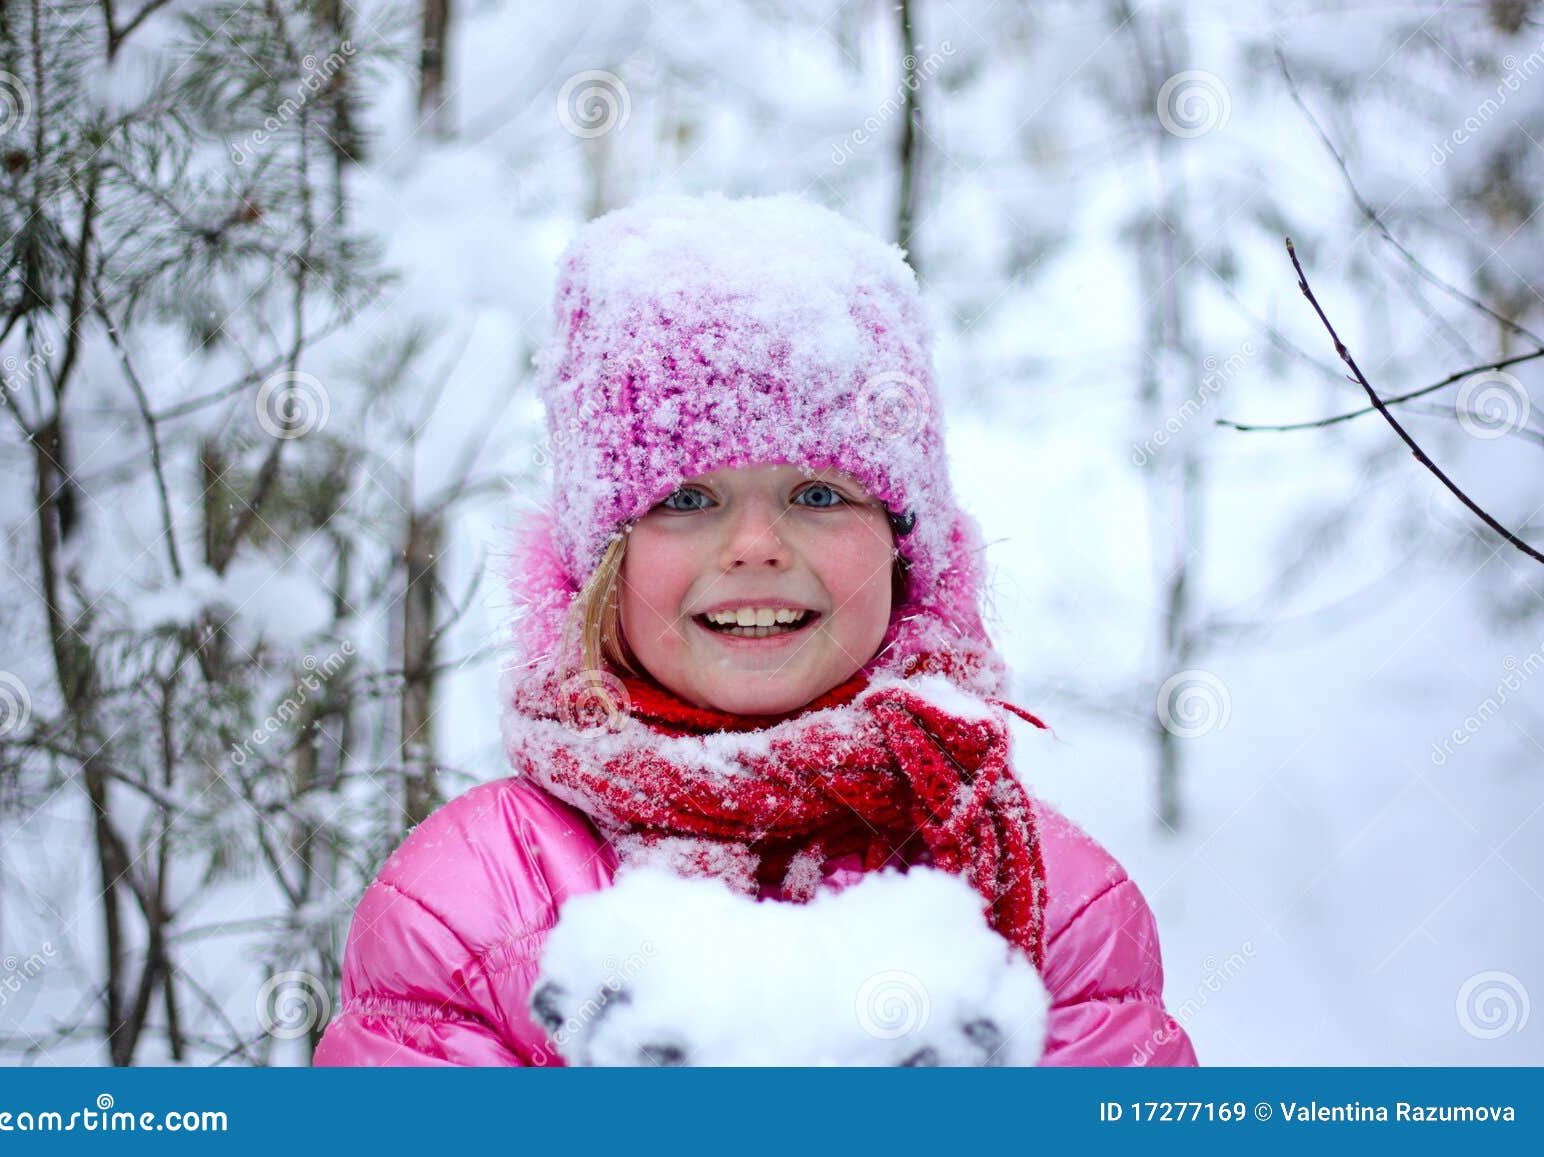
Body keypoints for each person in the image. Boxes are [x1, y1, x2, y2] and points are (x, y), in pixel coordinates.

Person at [311, 192, 1198, 1067]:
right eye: (686, 498)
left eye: (818, 493)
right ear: (600, 566)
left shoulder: (1053, 898)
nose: (756, 547)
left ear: (903, 550)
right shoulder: (470, 901)